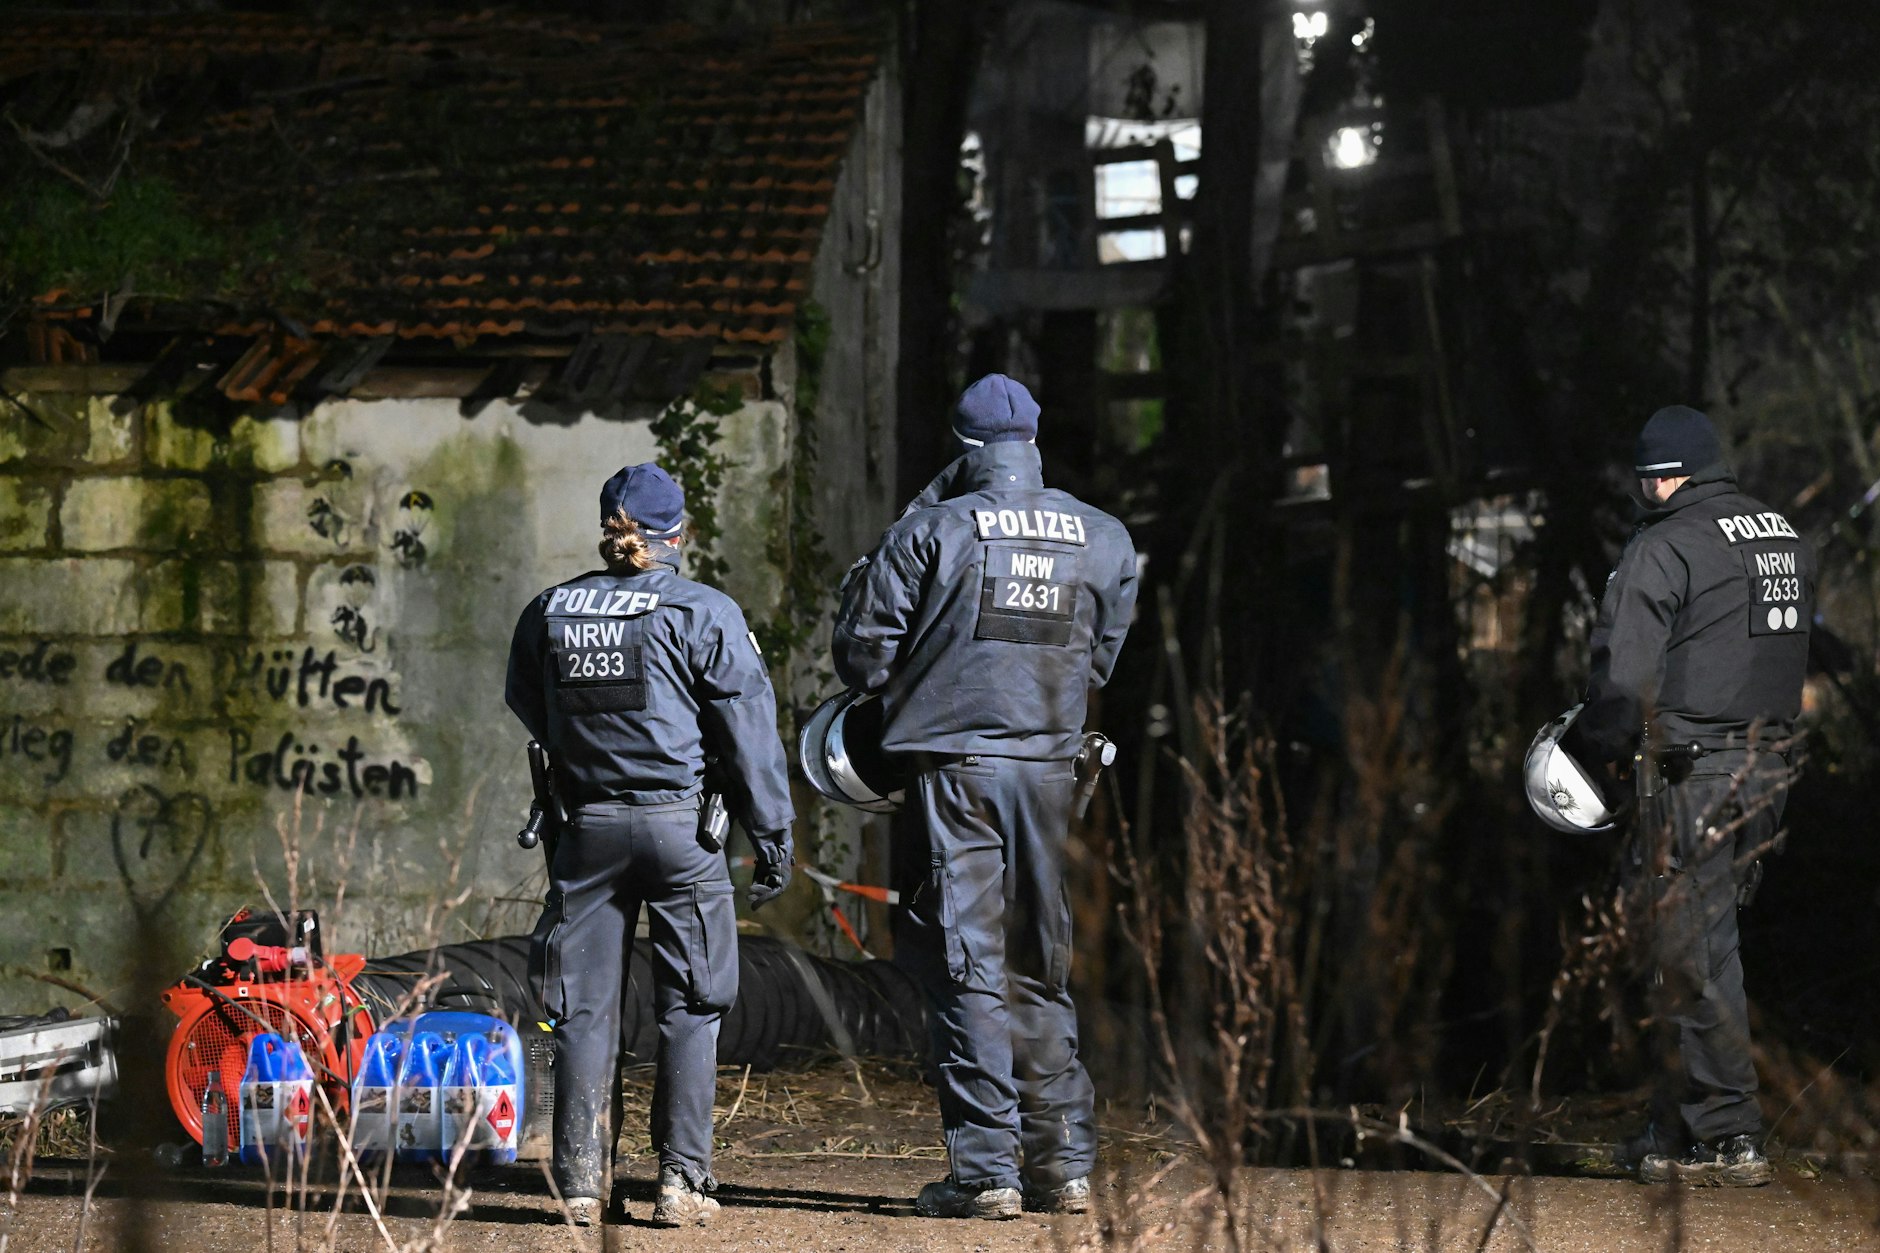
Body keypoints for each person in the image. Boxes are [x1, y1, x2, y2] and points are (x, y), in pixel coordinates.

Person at [832, 374, 1138, 1219]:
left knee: (968, 960)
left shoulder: (933, 528)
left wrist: (912, 519)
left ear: (964, 448)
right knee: (1039, 957)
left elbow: (860, 657)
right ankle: (1064, 1163)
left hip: (956, 772)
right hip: (1050, 772)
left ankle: (985, 1170)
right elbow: (1101, 660)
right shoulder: (1104, 536)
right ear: (1033, 441)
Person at [506, 463, 794, 1227]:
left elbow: (526, 698)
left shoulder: (550, 609)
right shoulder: (704, 610)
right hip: (683, 834)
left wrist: (583, 754)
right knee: (691, 1004)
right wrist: (772, 832)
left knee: (580, 1009)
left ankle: (578, 1181)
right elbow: (749, 733)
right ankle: (681, 1180)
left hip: (588, 832)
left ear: (609, 525)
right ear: (680, 532)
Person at [1563, 405, 1813, 1187]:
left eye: (1649, 480)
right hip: (1769, 771)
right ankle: (1677, 1126)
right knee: (1702, 947)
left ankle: (1729, 1137)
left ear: (1665, 476)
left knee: (1691, 953)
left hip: (1691, 774)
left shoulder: (1662, 545)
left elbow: (1622, 684)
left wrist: (1587, 754)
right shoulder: (1779, 537)